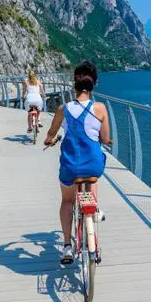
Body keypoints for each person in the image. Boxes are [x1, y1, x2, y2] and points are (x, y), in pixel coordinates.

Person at [44, 61, 110, 265]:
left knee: (67, 201)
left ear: (74, 85)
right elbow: (105, 139)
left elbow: (51, 134)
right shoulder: (100, 108)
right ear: (94, 84)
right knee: (98, 160)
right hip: (92, 166)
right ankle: (93, 209)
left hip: (70, 167)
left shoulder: (63, 109)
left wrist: (50, 140)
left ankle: (67, 246)